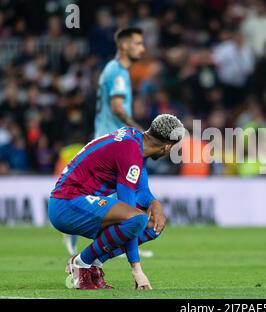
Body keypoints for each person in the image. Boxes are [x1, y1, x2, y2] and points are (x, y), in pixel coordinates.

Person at [48, 114, 185, 289]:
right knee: (138, 219)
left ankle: (93, 264)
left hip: (76, 202)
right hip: (67, 204)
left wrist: (154, 203)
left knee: (153, 224)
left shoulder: (134, 140)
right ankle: (81, 264)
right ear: (167, 147)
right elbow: (130, 211)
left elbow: (141, 191)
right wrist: (137, 269)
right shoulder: (130, 152)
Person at [63, 27, 149, 257]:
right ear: (124, 46)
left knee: (105, 195)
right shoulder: (118, 71)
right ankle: (123, 240)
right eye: (138, 43)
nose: (143, 48)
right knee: (124, 195)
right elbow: (117, 106)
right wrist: (138, 130)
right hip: (116, 140)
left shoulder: (111, 69)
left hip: (105, 139)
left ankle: (115, 239)